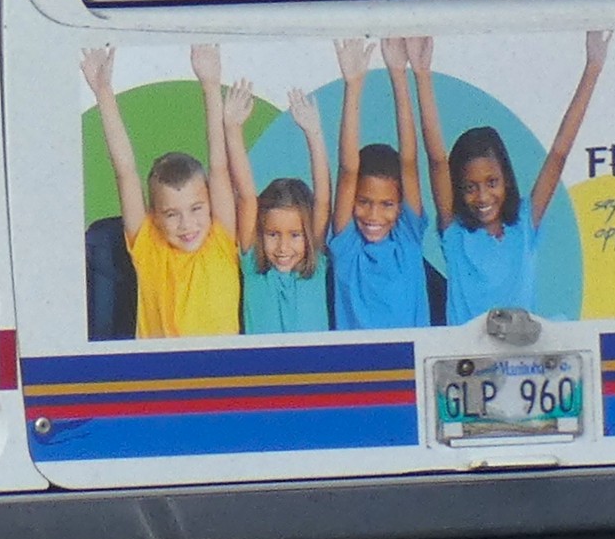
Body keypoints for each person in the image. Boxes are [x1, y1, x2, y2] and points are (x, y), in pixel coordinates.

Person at [421, 32, 613, 322]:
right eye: (470, 187)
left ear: (507, 180)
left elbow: (559, 153)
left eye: (492, 183)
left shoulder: (525, 221)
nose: (483, 196)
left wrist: (593, 68)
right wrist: (422, 74)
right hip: (466, 349)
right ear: (457, 190)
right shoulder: (455, 232)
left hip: (522, 346)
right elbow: (437, 160)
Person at [83, 41, 244, 338]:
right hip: (159, 366)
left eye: (196, 209)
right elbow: (125, 172)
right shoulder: (148, 246)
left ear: (210, 204)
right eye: (171, 214)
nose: (187, 224)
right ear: (154, 216)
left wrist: (210, 84)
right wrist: (103, 93)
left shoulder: (220, 240)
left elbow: (219, 166)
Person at [321, 33, 441, 331]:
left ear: (400, 207)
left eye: (387, 204)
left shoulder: (406, 237)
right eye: (364, 202)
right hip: (359, 361)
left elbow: (409, 162)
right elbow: (347, 169)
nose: (374, 215)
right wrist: (353, 86)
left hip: (409, 359)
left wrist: (398, 75)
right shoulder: (347, 247)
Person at [214, 64, 335, 333]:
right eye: (272, 234)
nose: (283, 247)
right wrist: (232, 129)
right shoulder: (253, 267)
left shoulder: (314, 265)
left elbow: (323, 200)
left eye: (295, 235)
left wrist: (314, 134)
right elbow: (247, 196)